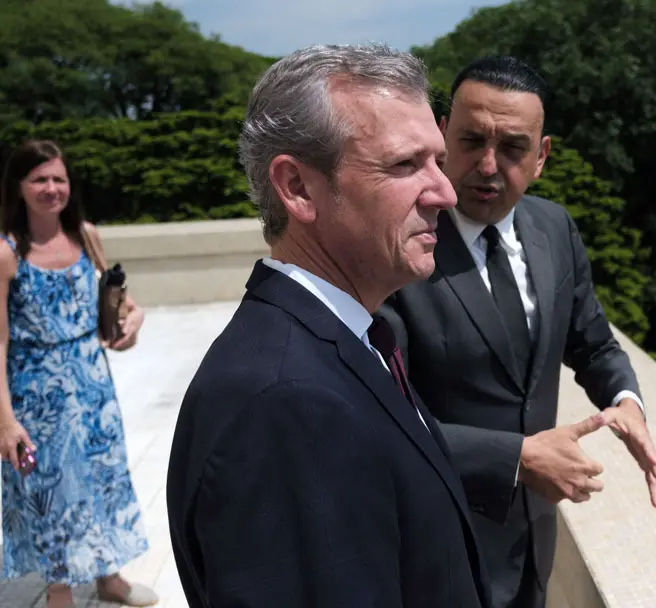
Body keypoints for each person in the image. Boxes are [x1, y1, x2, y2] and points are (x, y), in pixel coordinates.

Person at [165, 44, 492, 608]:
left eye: (438, 161)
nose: (445, 192)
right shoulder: (285, 403)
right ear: (296, 187)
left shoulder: (349, 341)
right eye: (405, 164)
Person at [378, 56, 656, 608]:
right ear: (443, 135)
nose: (488, 166)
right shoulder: (400, 246)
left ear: (541, 157)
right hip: (435, 548)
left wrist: (626, 399)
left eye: (513, 148)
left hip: (533, 542)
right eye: (471, 141)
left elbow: (593, 342)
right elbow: (381, 415)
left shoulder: (554, 227)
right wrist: (517, 457)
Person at [0, 140, 157, 608]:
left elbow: (116, 297)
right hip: (36, 392)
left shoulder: (86, 235)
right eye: (39, 179)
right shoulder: (7, 253)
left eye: (58, 179)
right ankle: (60, 592)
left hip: (92, 382)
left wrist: (135, 317)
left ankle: (109, 576)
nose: (51, 188)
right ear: (19, 187)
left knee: (105, 476)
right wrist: (5, 419)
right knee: (51, 492)